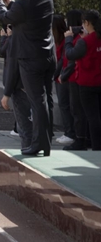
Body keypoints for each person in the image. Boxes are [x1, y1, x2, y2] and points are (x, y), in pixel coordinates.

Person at [0, 0, 56, 156]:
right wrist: (12, 4)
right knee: (46, 100)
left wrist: (0, 3)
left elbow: (6, 18)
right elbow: (26, 14)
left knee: (37, 101)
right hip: (48, 55)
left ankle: (38, 143)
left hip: (30, 59)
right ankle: (46, 142)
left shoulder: (22, 5)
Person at [64, 10, 101, 151]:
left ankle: (96, 145)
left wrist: (68, 40)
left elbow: (70, 54)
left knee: (91, 116)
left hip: (86, 83)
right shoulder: (95, 39)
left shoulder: (85, 42)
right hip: (98, 80)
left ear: (87, 23)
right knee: (97, 114)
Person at [52, 15, 76, 146]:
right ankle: (69, 131)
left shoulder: (64, 41)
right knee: (64, 105)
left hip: (63, 76)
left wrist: (56, 74)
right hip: (60, 76)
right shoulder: (58, 40)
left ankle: (70, 132)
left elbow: (62, 60)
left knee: (65, 105)